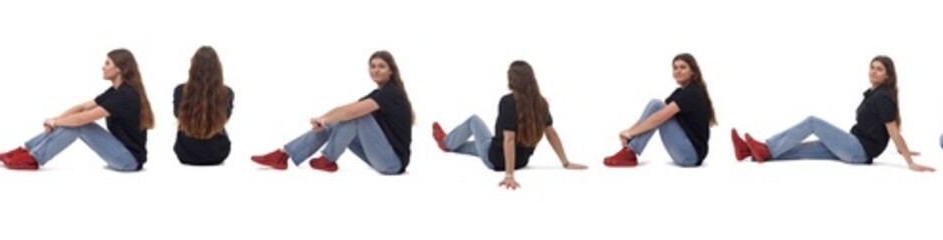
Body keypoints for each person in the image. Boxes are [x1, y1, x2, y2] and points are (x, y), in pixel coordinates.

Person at [731, 56, 933, 172]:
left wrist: (910, 162)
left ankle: (766, 146)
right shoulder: (874, 94)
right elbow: (886, 131)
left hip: (857, 150)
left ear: (888, 75)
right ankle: (749, 151)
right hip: (854, 147)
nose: (873, 71)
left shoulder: (883, 97)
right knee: (802, 150)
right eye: (871, 67)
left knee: (813, 122)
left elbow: (893, 132)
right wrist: (903, 151)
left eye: (879, 69)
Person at [249, 50, 416, 175]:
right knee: (339, 120)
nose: (376, 70)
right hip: (379, 157)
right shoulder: (378, 94)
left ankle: (328, 160)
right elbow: (344, 109)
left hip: (393, 163)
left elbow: (351, 112)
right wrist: (323, 119)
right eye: (372, 66)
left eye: (381, 66)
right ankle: (283, 155)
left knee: (356, 117)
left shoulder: (392, 93)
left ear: (391, 70)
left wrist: (326, 119)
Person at [432, 60, 589, 190]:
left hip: (496, 160)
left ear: (512, 80)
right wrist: (565, 162)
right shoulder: (541, 103)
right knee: (471, 147)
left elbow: (509, 139)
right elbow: (551, 133)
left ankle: (446, 142)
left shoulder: (507, 102)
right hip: (521, 162)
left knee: (474, 120)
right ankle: (449, 146)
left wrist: (509, 175)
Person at [0, 49, 156, 172]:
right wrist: (55, 120)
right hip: (121, 153)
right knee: (77, 120)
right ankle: (25, 150)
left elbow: (84, 118)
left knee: (81, 124)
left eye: (107, 63)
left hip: (128, 160)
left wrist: (56, 122)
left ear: (120, 68)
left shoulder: (126, 95)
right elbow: (82, 107)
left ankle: (32, 159)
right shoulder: (115, 91)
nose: (103, 67)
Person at [601, 53, 718, 168]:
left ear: (693, 71)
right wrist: (629, 132)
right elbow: (652, 115)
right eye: (675, 68)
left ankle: (630, 152)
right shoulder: (679, 92)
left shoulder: (692, 92)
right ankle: (629, 150)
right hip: (687, 153)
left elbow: (659, 117)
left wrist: (631, 133)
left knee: (657, 105)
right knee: (656, 105)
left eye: (683, 67)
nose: (678, 71)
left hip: (690, 156)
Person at [173, 46, 235, 166]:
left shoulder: (179, 91)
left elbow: (177, 115)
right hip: (218, 153)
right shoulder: (227, 93)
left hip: (186, 153)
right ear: (218, 68)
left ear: (193, 67)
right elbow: (224, 119)